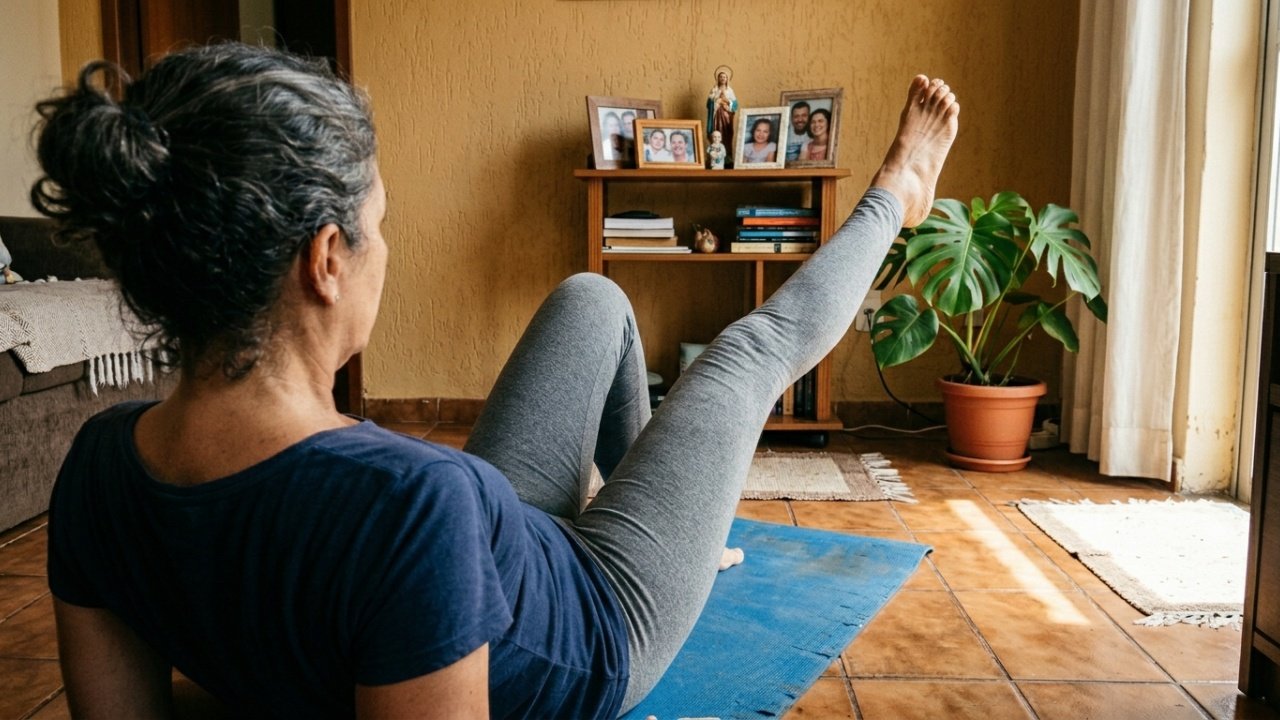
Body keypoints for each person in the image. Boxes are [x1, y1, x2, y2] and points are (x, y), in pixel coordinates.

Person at [33, 40, 958, 718]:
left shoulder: (100, 464)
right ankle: (896, 194)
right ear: (326, 260)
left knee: (594, 296)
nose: (382, 250)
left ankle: (674, 514)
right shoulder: (409, 504)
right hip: (602, 613)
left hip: (475, 555)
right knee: (747, 354)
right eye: (378, 223)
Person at [705, 65, 737, 159]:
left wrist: (727, 101)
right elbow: (708, 104)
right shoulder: (714, 90)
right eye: (721, 77)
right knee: (716, 133)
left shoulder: (730, 91)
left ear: (727, 79)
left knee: (726, 135)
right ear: (718, 78)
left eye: (724, 77)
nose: (723, 78)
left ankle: (727, 157)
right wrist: (716, 102)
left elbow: (735, 105)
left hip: (726, 117)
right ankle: (715, 156)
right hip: (716, 116)